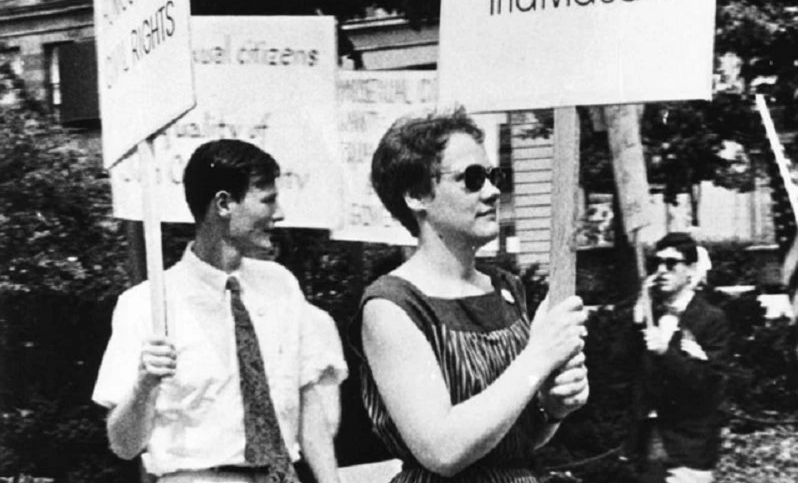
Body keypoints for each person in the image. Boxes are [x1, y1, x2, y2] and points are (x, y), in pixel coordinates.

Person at [93, 139, 347, 483]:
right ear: (224, 204)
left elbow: (307, 399)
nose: (281, 213)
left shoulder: (281, 286)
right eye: (268, 200)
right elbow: (123, 445)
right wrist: (144, 384)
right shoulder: (145, 305)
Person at [356, 109, 589, 483]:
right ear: (416, 195)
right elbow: (443, 450)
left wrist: (554, 410)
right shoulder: (392, 305)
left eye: (494, 176)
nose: (494, 191)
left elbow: (515, 441)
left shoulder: (507, 290)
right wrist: (541, 355)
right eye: (473, 178)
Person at [632, 232, 730, 483]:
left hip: (689, 446)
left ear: (691, 270)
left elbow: (708, 383)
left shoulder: (711, 319)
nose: (661, 271)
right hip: (647, 441)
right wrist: (635, 323)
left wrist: (666, 352)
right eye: (657, 264)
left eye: (671, 264)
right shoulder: (649, 315)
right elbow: (619, 368)